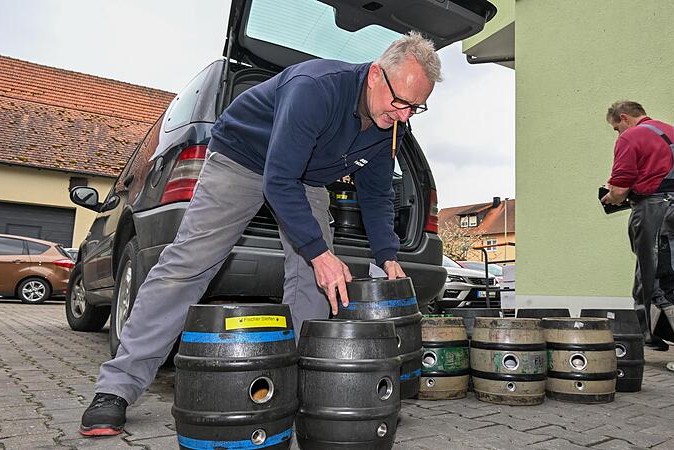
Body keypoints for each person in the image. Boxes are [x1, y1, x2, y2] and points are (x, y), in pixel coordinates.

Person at [78, 31, 441, 436]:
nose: (405, 115)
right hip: (241, 158)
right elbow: (277, 179)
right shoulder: (315, 90)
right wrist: (319, 253)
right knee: (189, 265)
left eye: (416, 107)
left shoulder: (391, 125)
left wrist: (387, 255)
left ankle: (308, 389)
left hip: (305, 178)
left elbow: (375, 193)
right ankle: (116, 389)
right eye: (400, 102)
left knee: (315, 283)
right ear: (375, 75)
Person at [601, 101, 674, 378]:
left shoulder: (631, 136)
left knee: (666, 281)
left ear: (625, 118)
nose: (618, 134)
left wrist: (611, 196)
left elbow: (621, 186)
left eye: (616, 128)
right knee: (646, 279)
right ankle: (645, 339)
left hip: (657, 211)